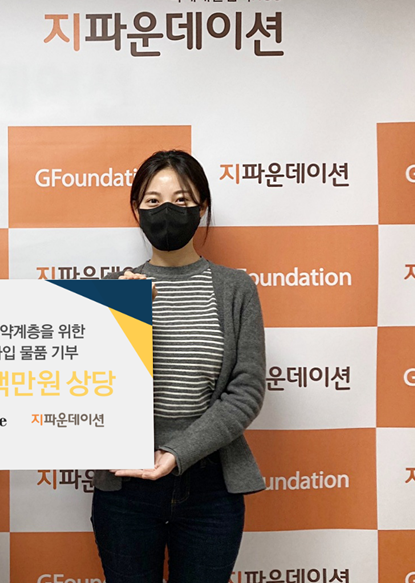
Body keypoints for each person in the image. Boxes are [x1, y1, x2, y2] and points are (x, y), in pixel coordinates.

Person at [92, 150, 266, 583]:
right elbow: (92, 387)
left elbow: (246, 390)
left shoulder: (235, 288)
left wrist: (177, 453)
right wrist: (130, 319)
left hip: (210, 485)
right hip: (126, 487)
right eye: (153, 201)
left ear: (201, 207)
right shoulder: (115, 290)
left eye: (181, 200)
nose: (166, 211)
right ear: (136, 210)